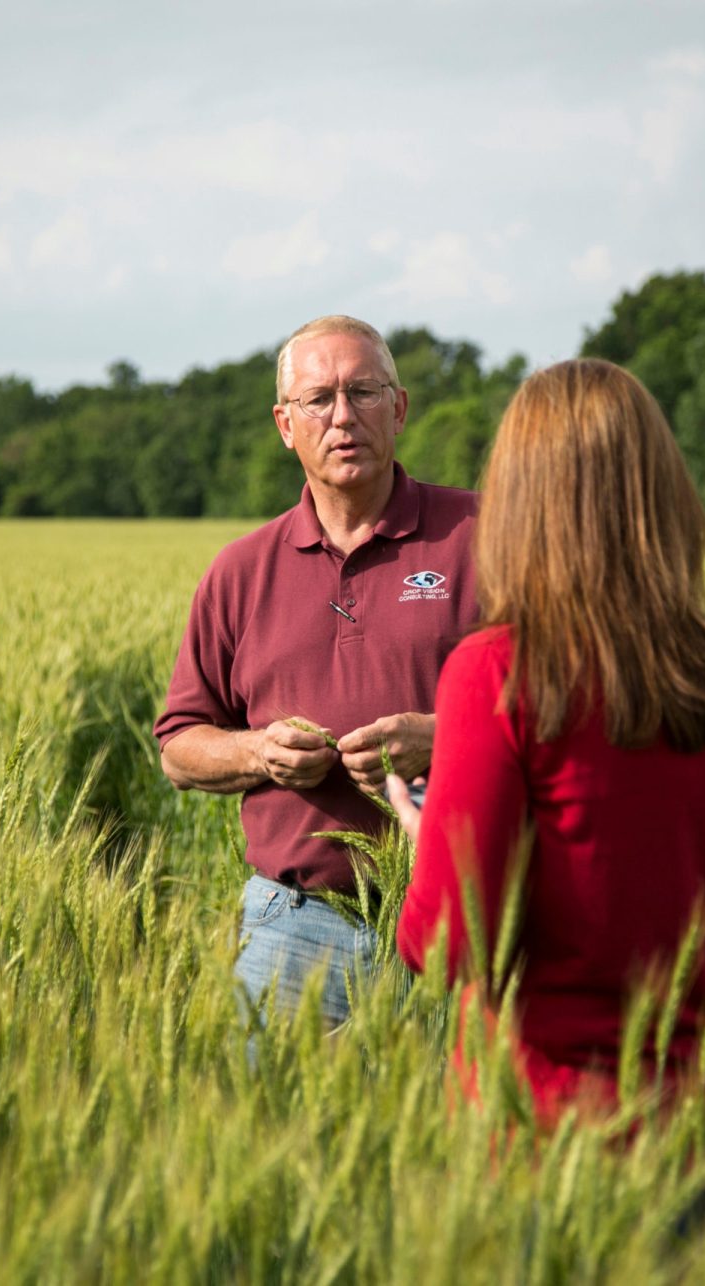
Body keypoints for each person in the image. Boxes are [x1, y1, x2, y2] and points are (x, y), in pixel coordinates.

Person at [382, 358, 705, 1154]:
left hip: (550, 1147)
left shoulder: (497, 672)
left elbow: (454, 946)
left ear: (519, 507)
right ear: (666, 499)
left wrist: (430, 848)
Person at [154, 315, 481, 1028]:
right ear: (284, 423)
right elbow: (179, 745)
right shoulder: (239, 572)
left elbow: (565, 700)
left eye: (364, 393)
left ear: (399, 409)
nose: (343, 417)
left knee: (450, 1139)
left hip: (462, 921)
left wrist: (449, 737)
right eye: (318, 399)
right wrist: (258, 751)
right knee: (272, 1133)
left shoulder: (485, 537)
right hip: (293, 927)